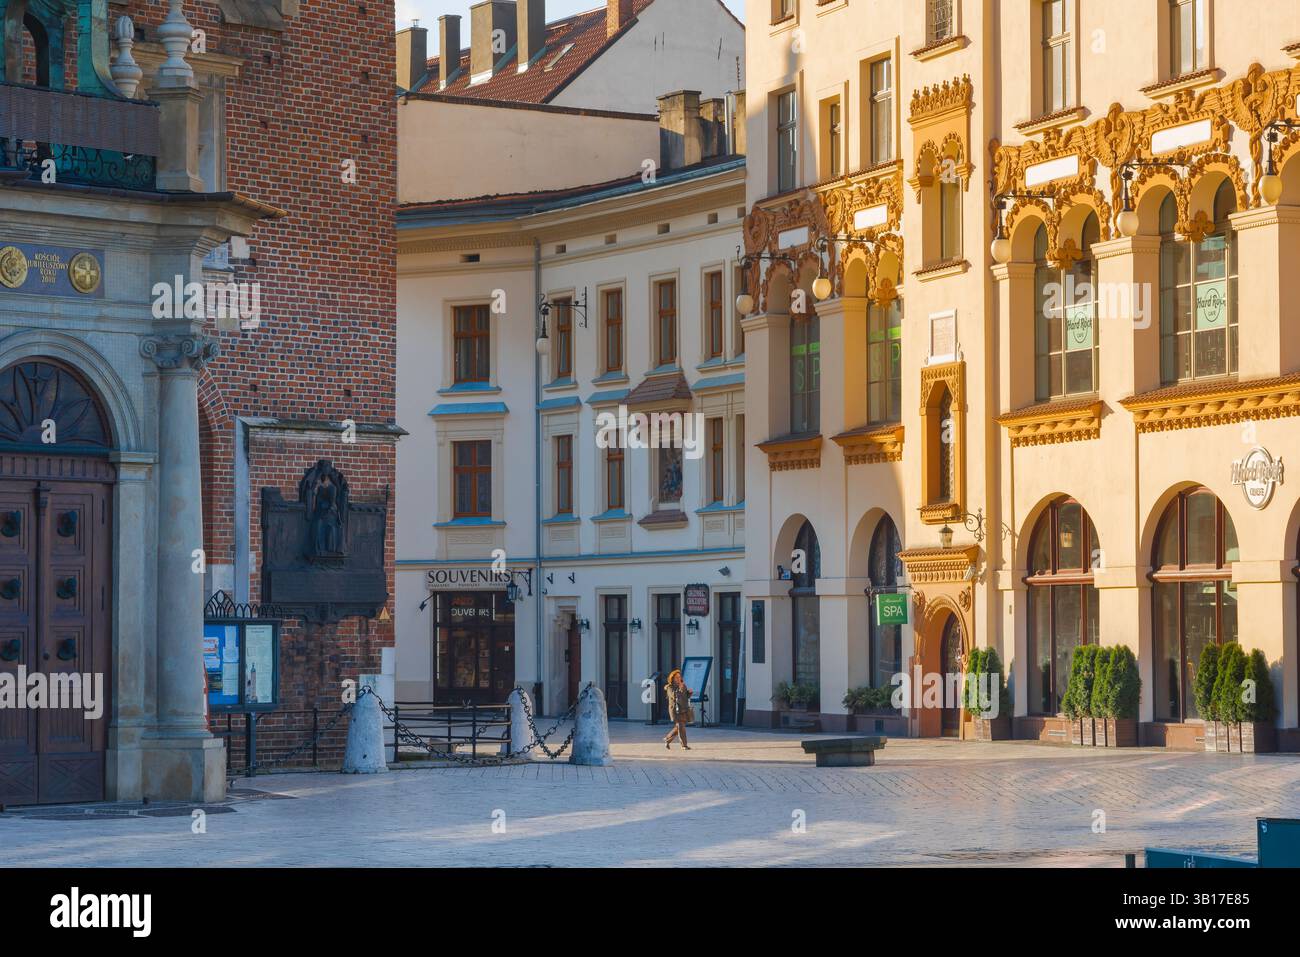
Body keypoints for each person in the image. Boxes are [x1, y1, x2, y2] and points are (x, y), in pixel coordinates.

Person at [663, 669, 693, 750]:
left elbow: (685, 697)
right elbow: (675, 696)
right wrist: (680, 689)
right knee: (681, 727)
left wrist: (689, 693)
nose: (678, 679)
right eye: (676, 677)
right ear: (672, 678)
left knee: (679, 727)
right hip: (675, 710)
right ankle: (684, 745)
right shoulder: (669, 687)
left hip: (683, 708)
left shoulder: (683, 685)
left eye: (679, 677)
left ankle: (667, 739)